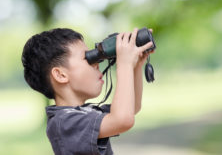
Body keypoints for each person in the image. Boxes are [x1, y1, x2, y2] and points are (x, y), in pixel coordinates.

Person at [21, 28, 154, 155]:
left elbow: (131, 108)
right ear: (61, 75)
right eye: (87, 58)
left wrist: (136, 66)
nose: (97, 63)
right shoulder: (63, 123)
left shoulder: (84, 112)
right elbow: (122, 120)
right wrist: (124, 64)